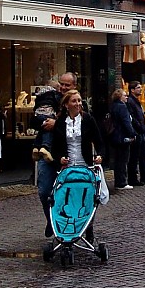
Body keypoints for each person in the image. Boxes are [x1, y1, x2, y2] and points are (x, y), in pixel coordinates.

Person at [50, 89, 104, 243]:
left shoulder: (88, 119)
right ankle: (66, 225)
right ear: (66, 105)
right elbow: (54, 146)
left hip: (85, 165)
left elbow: (99, 141)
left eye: (79, 100)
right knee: (67, 197)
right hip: (67, 168)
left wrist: (100, 155)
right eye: (74, 101)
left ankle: (89, 226)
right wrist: (59, 159)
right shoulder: (60, 122)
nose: (78, 104)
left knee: (89, 197)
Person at [36, 71, 78, 237]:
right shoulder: (52, 98)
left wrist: (57, 123)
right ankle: (51, 220)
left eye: (67, 85)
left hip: (70, 155)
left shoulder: (77, 102)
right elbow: (36, 119)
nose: (63, 87)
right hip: (49, 154)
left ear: (74, 86)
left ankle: (76, 225)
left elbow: (81, 123)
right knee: (44, 191)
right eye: (62, 84)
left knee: (73, 193)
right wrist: (44, 120)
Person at [126, 81, 145, 186]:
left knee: (144, 155)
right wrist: (139, 126)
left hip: (141, 131)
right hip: (136, 132)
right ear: (132, 90)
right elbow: (132, 117)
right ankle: (133, 178)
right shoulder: (130, 101)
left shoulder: (136, 101)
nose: (140, 89)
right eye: (138, 88)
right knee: (134, 156)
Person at [109, 88, 137, 190]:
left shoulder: (113, 106)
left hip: (115, 136)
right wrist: (132, 134)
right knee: (123, 159)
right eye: (125, 95)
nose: (126, 97)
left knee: (118, 160)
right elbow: (126, 122)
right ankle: (122, 182)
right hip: (123, 137)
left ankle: (119, 181)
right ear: (120, 97)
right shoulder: (122, 107)